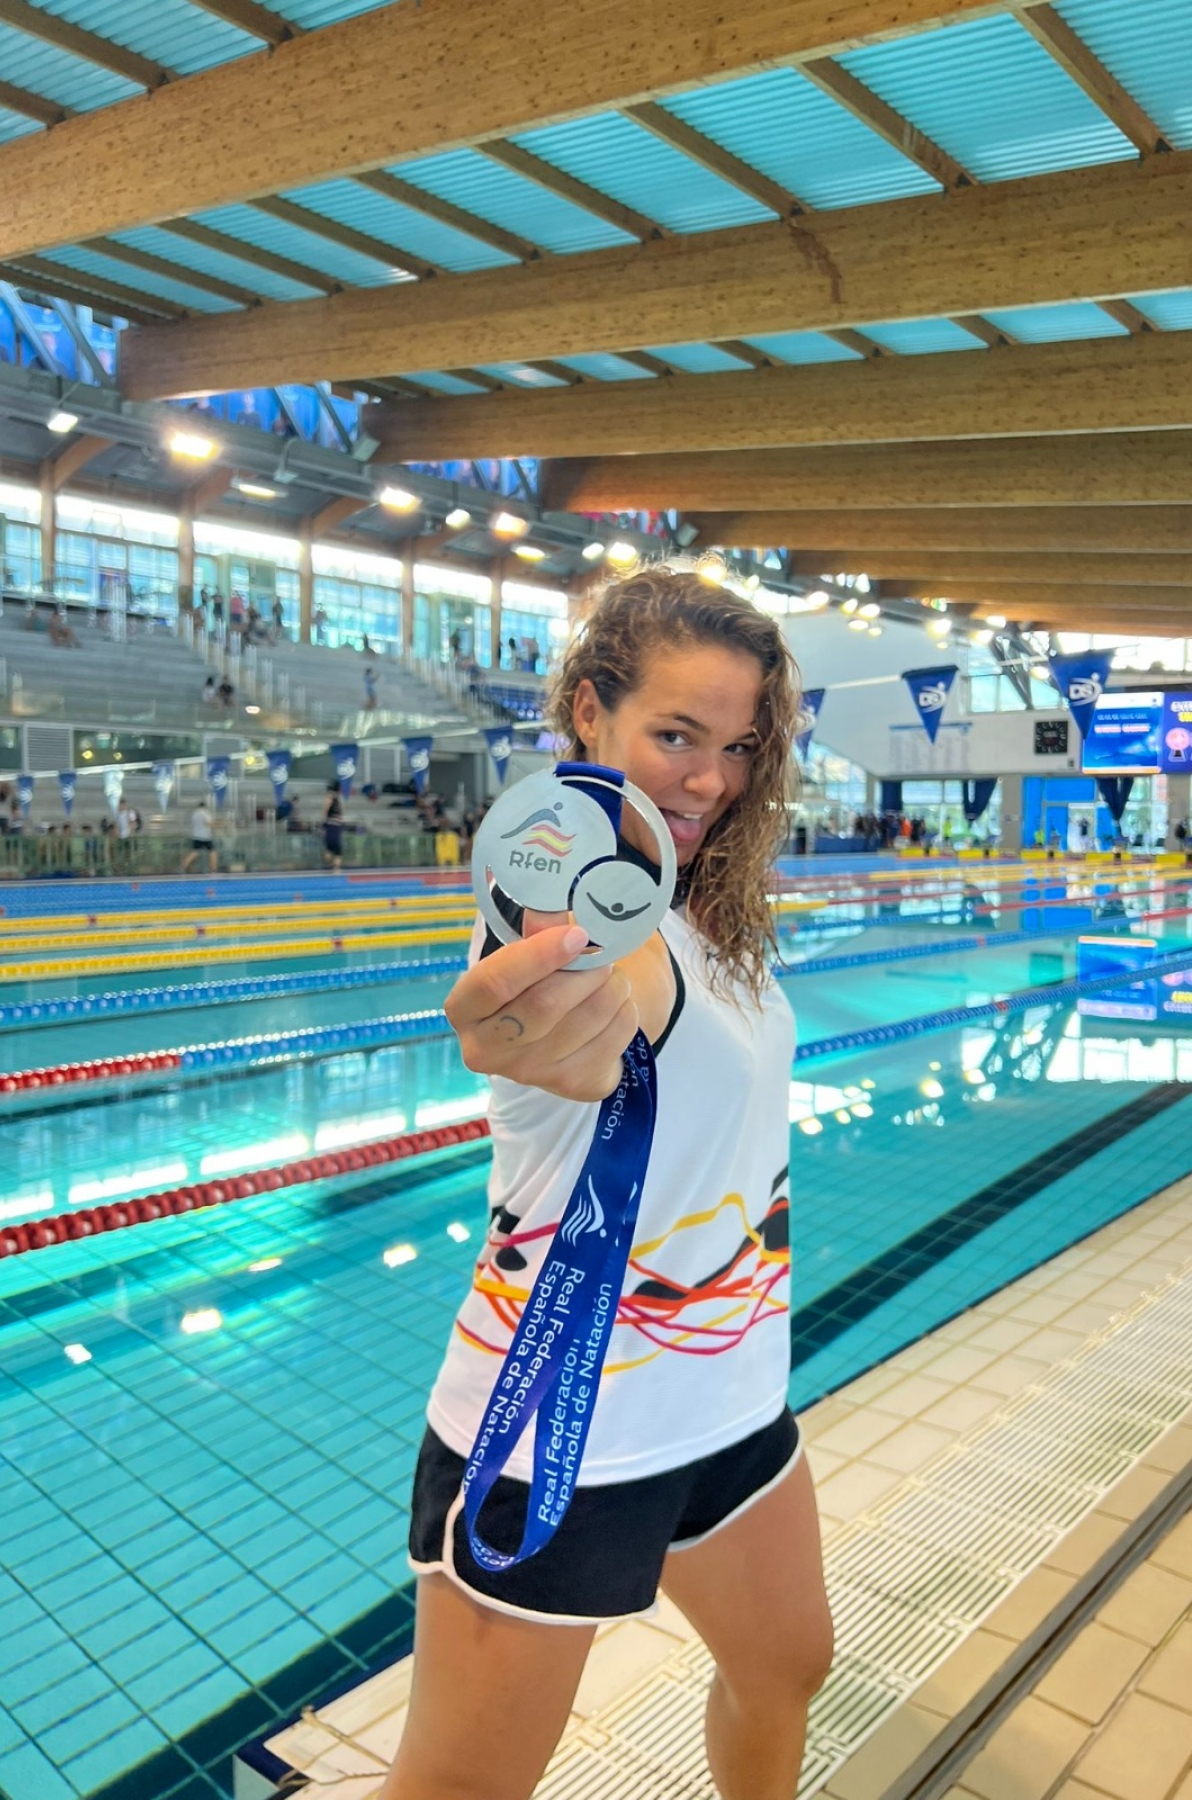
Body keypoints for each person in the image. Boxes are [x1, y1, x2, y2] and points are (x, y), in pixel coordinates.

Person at [382, 568, 831, 1800]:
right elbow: (538, 996)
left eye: (737, 746)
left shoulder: (709, 916)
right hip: (553, 1431)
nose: (707, 779)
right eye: (675, 735)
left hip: (728, 1400)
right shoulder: (585, 922)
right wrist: (518, 1017)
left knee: (789, 1668)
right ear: (590, 714)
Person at [182, 800, 217, 874]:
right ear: (205, 806)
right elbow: (208, 823)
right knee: (212, 853)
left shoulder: (195, 814)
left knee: (194, 852)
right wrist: (216, 824)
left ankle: (183, 867)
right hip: (205, 837)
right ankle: (213, 870)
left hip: (196, 836)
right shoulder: (205, 813)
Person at [322, 783, 344, 870]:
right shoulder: (338, 799)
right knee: (336, 849)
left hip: (331, 824)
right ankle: (335, 866)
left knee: (331, 847)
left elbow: (325, 811)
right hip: (336, 824)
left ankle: (332, 864)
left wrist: (325, 822)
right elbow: (341, 812)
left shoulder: (330, 798)